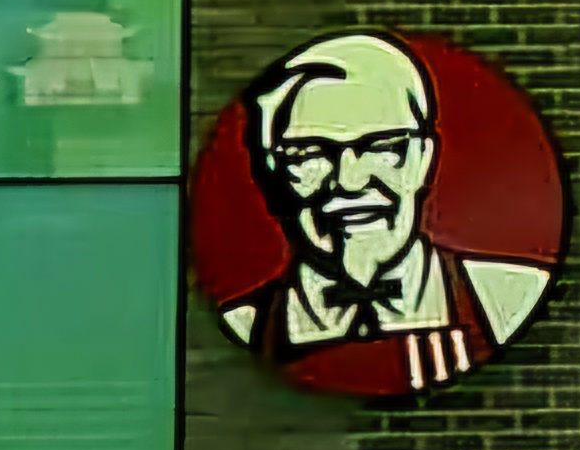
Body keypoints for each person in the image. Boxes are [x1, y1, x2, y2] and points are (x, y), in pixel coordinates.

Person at [218, 31, 549, 394]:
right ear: (273, 172)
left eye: (381, 147)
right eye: (310, 154)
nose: (350, 181)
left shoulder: (508, 297)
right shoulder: (245, 325)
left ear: (423, 159)